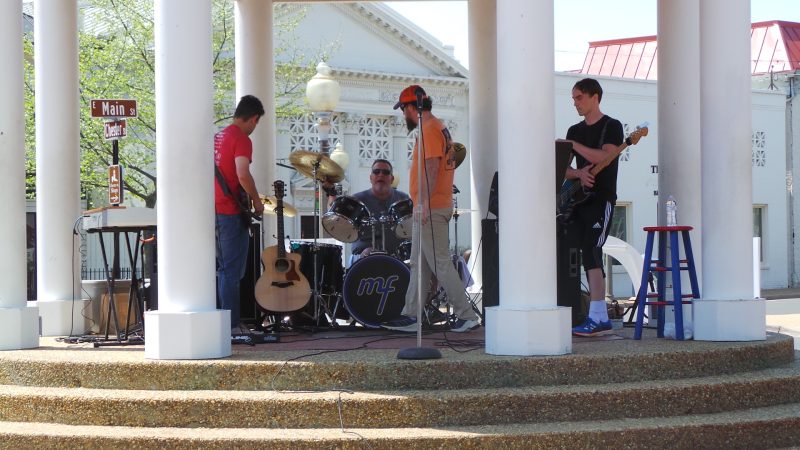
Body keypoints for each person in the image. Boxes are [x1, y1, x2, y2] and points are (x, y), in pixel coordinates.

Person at [382, 85, 480, 333]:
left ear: (412, 107)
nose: (403, 114)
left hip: (431, 208)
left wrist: (423, 203)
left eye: (403, 109)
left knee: (440, 263)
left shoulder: (429, 129)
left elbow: (433, 168)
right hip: (431, 206)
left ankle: (467, 315)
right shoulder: (435, 127)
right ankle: (411, 316)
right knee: (419, 264)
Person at [562, 78, 624, 337]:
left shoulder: (612, 126)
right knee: (577, 251)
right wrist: (578, 173)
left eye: (579, 97)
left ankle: (598, 316)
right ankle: (592, 314)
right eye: (573, 98)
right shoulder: (573, 129)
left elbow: (607, 156)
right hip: (578, 201)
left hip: (602, 198)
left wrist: (574, 146)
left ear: (594, 97)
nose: (575, 103)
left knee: (592, 250)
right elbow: (562, 168)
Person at [214, 95, 266, 336]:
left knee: (222, 269)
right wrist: (256, 200)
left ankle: (222, 321)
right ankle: (232, 325)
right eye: (256, 123)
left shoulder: (217, 137)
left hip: (211, 210)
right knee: (231, 271)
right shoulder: (242, 139)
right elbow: (242, 173)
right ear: (254, 119)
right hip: (229, 212)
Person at [325, 159, 410, 262]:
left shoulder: (402, 199)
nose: (380, 175)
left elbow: (412, 227)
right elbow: (335, 218)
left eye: (386, 172)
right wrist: (331, 193)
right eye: (376, 172)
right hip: (362, 258)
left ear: (392, 179)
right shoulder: (356, 200)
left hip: (397, 258)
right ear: (371, 178)